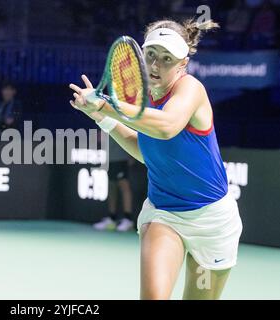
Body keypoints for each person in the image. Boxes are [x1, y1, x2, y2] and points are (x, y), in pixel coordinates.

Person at [69, 18, 243, 300]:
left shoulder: (191, 89)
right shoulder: (138, 97)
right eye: (150, 55)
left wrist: (107, 105)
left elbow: (166, 126)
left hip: (212, 221)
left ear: (182, 63)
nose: (155, 65)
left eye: (166, 58)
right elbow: (145, 150)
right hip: (165, 213)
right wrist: (101, 117)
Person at [93, 138, 135, 232]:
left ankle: (128, 219)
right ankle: (112, 218)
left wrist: (131, 155)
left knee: (124, 185)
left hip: (121, 156)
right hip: (110, 157)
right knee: (111, 186)